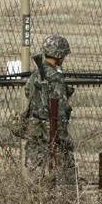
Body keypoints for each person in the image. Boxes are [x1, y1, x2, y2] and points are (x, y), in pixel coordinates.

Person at [23, 34, 76, 184]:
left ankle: (36, 202)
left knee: (36, 176)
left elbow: (28, 93)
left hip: (35, 130)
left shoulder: (35, 75)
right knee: (66, 175)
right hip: (52, 132)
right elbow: (60, 110)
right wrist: (64, 137)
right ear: (59, 55)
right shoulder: (55, 77)